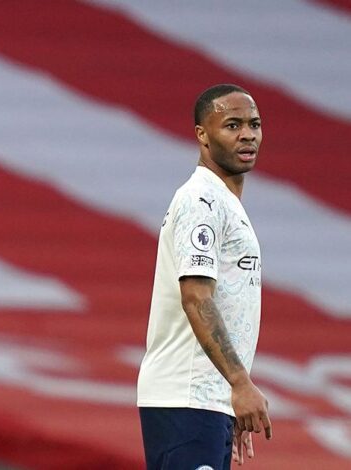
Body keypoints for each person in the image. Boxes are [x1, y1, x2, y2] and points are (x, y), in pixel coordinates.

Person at [137, 84, 272, 469]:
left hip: (205, 399)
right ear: (202, 135)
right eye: (232, 125)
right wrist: (240, 384)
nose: (247, 134)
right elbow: (196, 296)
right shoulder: (202, 201)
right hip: (186, 396)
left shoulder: (223, 202)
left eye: (254, 124)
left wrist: (230, 392)